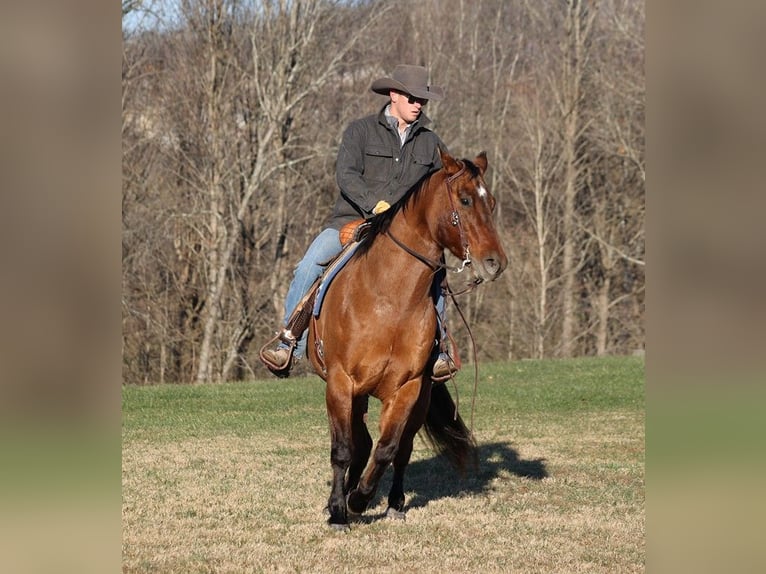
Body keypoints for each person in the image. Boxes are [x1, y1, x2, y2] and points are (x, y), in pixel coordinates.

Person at [262, 64, 458, 379]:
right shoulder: (361, 131)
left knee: (435, 272)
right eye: (412, 97)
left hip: (406, 236)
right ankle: (288, 342)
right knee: (310, 264)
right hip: (352, 223)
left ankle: (440, 350)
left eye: (423, 99)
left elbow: (444, 187)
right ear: (394, 95)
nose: (418, 104)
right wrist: (374, 205)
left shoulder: (431, 143)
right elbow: (346, 175)